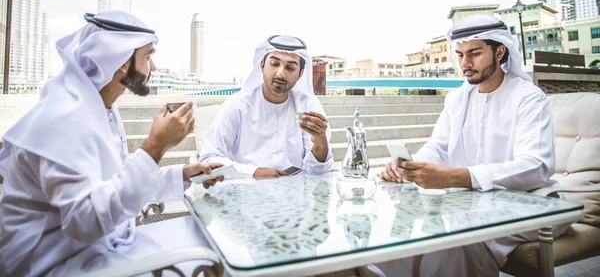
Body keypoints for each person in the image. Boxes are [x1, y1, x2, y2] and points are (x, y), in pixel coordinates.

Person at [0, 11, 223, 276]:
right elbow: (85, 222)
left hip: (102, 246)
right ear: (120, 61)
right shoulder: (63, 118)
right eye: (148, 57)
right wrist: (156, 146)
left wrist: (182, 175)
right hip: (58, 264)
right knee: (218, 259)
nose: (153, 68)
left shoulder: (100, 107)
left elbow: (115, 180)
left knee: (209, 236)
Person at [376, 14, 567, 277]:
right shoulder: (456, 99)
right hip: (471, 202)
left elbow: (536, 166)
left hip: (530, 202)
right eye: (460, 55)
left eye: (474, 53)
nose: (465, 63)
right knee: (402, 230)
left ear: (500, 52)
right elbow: (438, 147)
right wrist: (410, 167)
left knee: (457, 239)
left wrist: (457, 177)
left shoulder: (528, 98)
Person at [199, 35, 333, 178]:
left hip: (294, 194)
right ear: (262, 65)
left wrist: (320, 140)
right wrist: (253, 173)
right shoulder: (238, 105)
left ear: (300, 74)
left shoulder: (308, 105)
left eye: (290, 67)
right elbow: (209, 159)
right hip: (245, 194)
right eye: (275, 64)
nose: (281, 73)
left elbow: (318, 172)